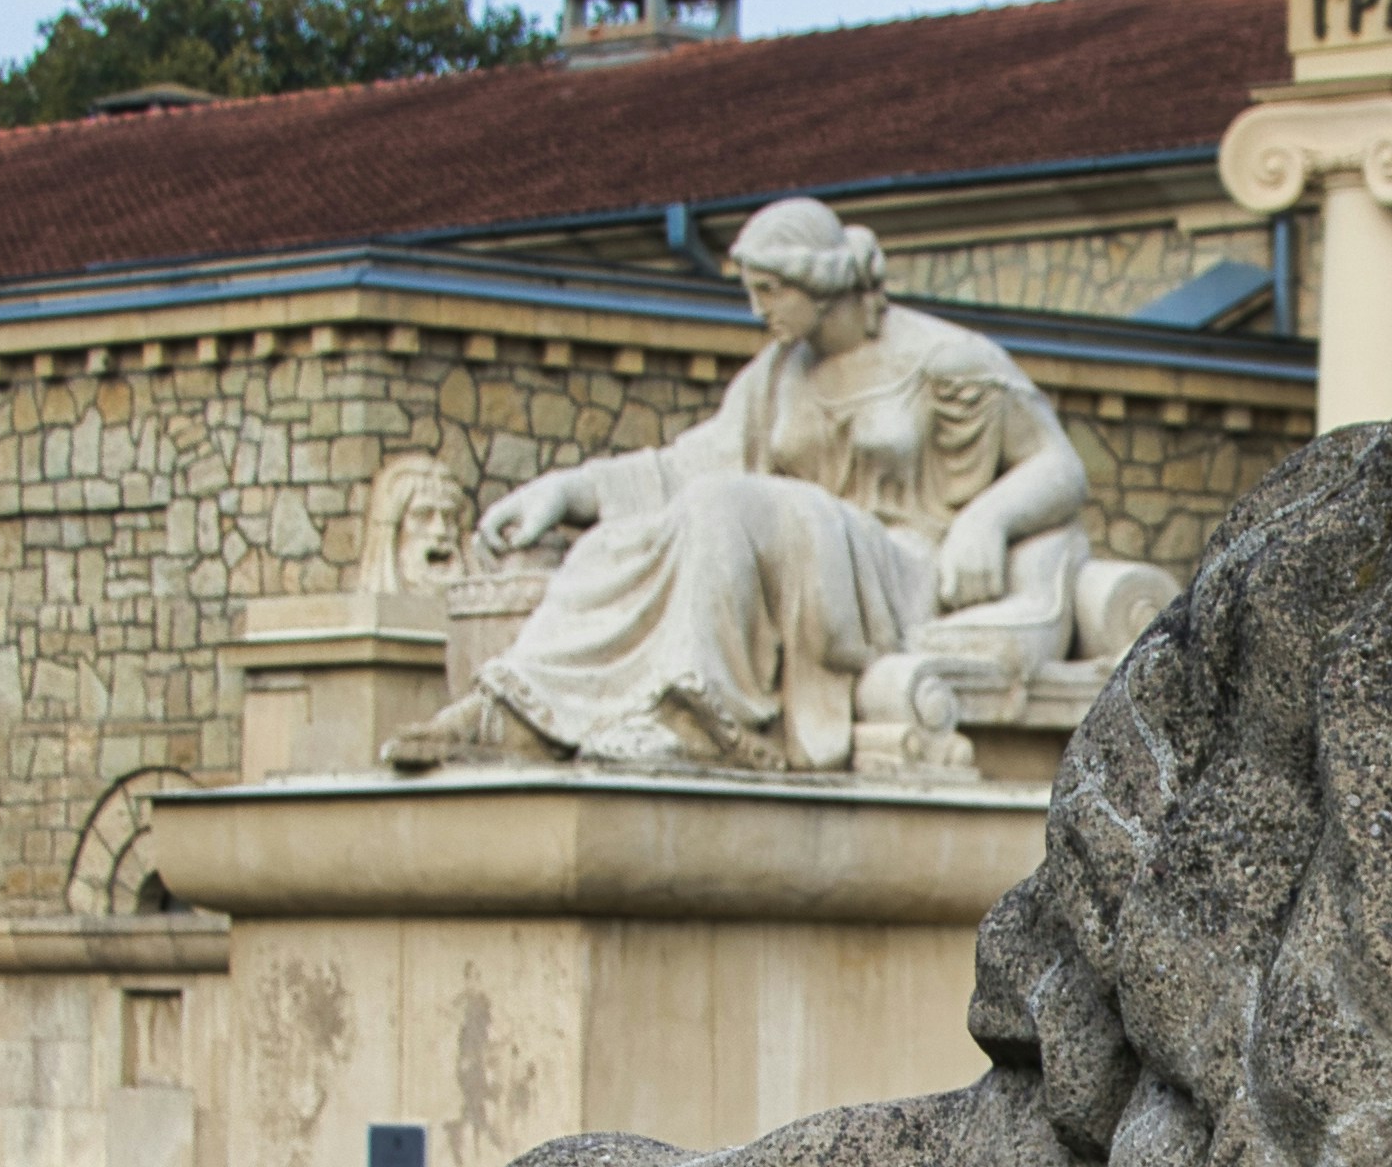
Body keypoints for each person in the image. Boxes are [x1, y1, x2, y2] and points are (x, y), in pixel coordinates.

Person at [393, 198, 1095, 778]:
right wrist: (565, 491)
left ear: (815, 280)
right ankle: (522, 704)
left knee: (724, 504)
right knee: (623, 539)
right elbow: (681, 467)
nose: (759, 310)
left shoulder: (947, 359)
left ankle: (700, 716)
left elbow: (1060, 467)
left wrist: (989, 520)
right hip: (799, 551)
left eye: (770, 290)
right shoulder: (775, 375)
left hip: (905, 572)